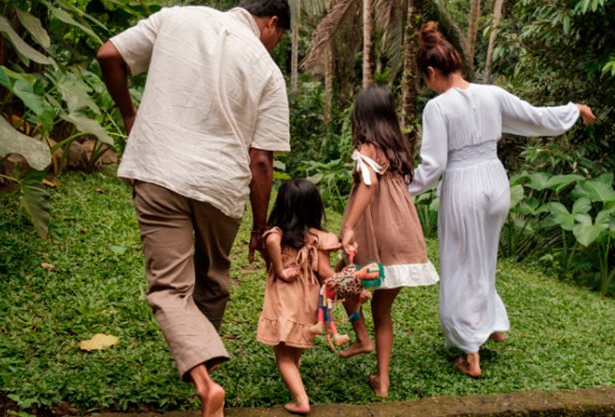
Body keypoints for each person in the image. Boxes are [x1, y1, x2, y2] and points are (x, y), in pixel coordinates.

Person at [95, 1, 291, 416]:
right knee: (214, 280)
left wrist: (129, 114)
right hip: (221, 185)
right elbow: (260, 160)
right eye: (280, 38)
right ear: (272, 23)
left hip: (159, 169)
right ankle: (201, 360)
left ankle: (203, 379)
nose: (274, 45)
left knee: (169, 288)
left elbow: (109, 54)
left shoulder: (176, 16)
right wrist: (259, 227)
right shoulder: (268, 70)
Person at [407, 22, 596, 378]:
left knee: (461, 264)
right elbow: (536, 117)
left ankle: (469, 350)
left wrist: (401, 191)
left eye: (425, 77)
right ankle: (492, 322)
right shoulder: (492, 93)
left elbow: (433, 166)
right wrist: (574, 109)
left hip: (463, 185)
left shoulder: (438, 108)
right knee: (484, 258)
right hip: (495, 181)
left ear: (432, 72)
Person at [338, 86, 440, 397]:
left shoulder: (367, 149)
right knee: (382, 312)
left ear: (361, 117)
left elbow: (367, 186)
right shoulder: (397, 151)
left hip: (377, 232)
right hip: (404, 234)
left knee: (340, 281)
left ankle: (361, 338)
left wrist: (348, 227)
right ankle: (382, 381)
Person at [256, 179, 339, 415]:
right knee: (294, 345)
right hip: (309, 298)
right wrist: (348, 284)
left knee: (282, 354)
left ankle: (301, 400)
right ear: (315, 207)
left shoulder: (278, 234)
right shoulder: (318, 238)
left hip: (285, 296)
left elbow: (270, 240)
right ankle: (296, 375)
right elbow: (324, 272)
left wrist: (281, 269)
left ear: (281, 205)